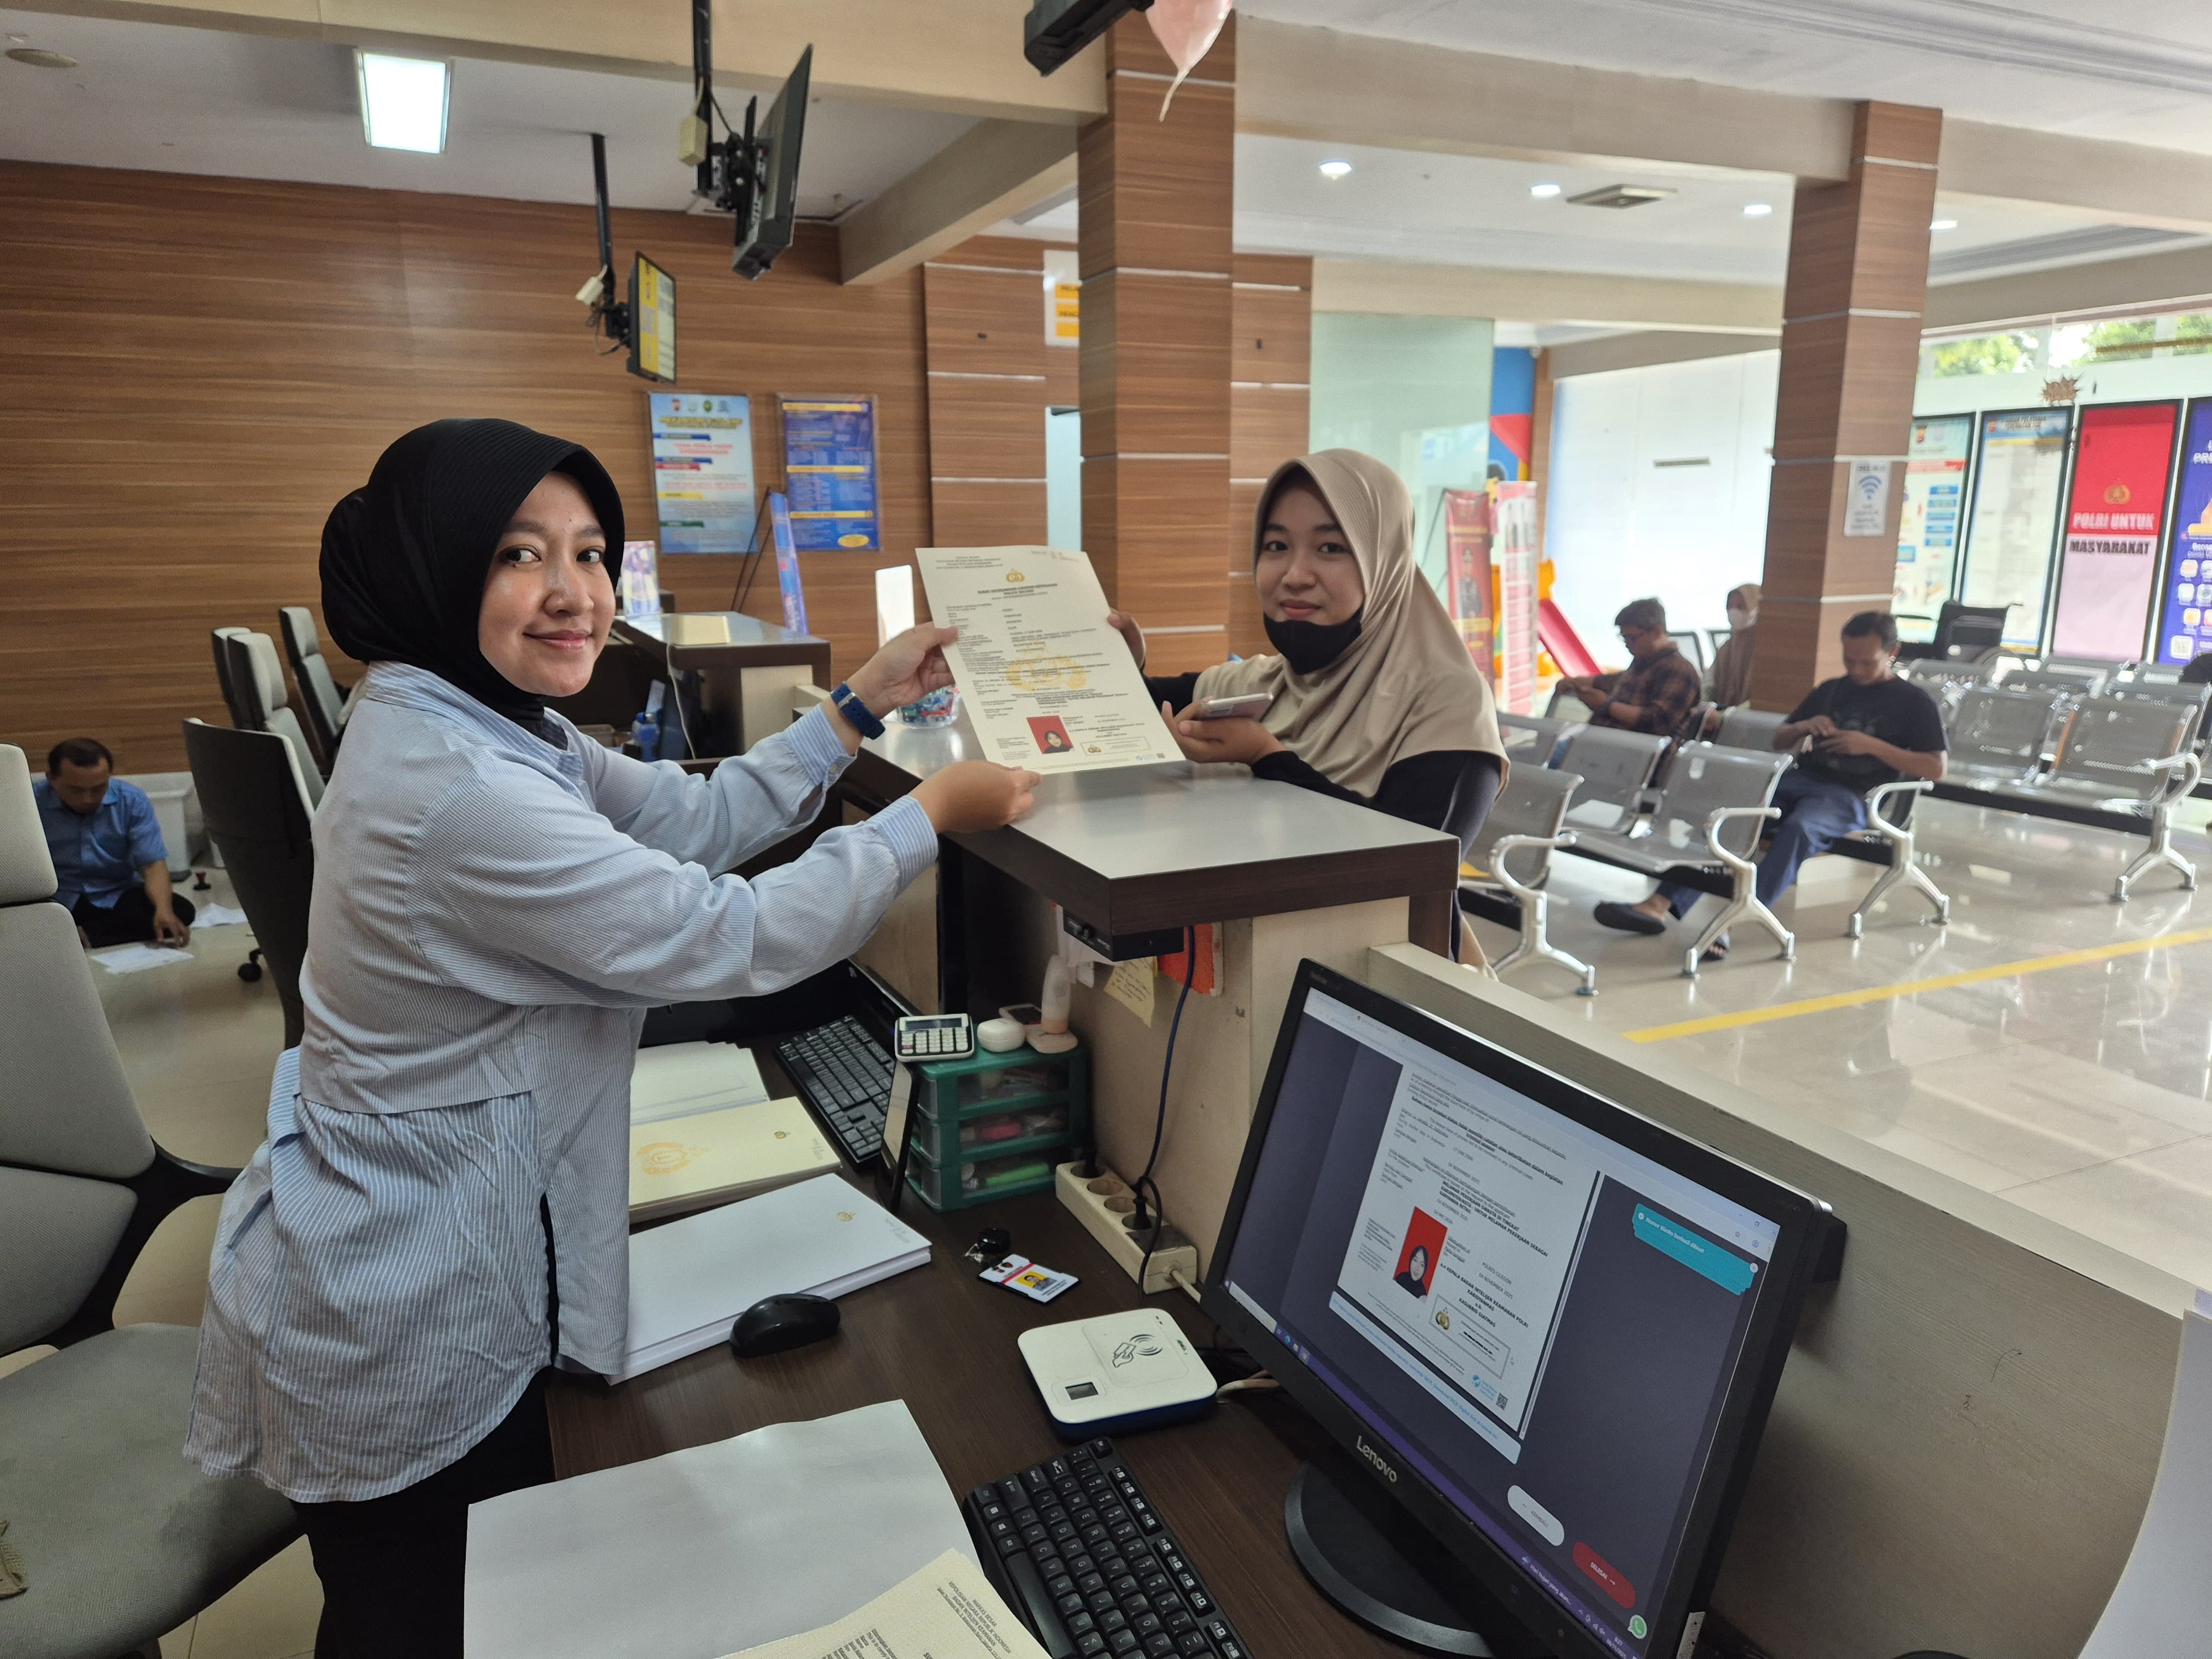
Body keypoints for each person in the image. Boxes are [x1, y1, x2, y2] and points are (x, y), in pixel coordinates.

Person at [184, 419, 1039, 1658]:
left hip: (440, 1234)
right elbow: (727, 933)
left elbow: (690, 818)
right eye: (518, 554)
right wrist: (928, 817)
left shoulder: (479, 719)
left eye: (590, 553)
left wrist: (856, 705)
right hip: (408, 1302)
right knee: (418, 1615)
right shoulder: (460, 785)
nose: (573, 592)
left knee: (458, 1598)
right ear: (434, 569)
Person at [1104, 450, 1507, 958]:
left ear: (1384, 560)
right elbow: (1132, 706)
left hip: (1368, 988)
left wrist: (1268, 759)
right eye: (1276, 546)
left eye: (1331, 548)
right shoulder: (1262, 682)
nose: (1295, 574)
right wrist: (1118, 662)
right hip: (1241, 977)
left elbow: (1403, 872)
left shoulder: (1445, 705)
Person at [1594, 610, 1946, 957]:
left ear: (1892, 652)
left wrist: (1871, 746)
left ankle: (1732, 920)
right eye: (1848, 660)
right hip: (1801, 778)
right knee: (1729, 815)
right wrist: (1804, 727)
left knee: (1800, 830)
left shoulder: (1914, 703)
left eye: (1866, 662)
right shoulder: (1832, 690)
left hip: (1855, 795)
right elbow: (1781, 738)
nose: (1855, 670)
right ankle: (1659, 904)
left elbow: (1935, 768)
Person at [35, 736, 195, 947]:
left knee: (180, 911)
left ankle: (82, 935)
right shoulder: (29, 802)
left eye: (98, 788)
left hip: (113, 894)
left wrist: (163, 910)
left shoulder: (131, 800)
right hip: (54, 896)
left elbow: (152, 864)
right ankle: (82, 934)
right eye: (76, 790)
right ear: (51, 778)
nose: (88, 799)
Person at [1554, 598, 1703, 744]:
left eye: (1632, 638)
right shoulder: (1644, 661)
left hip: (1634, 752)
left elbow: (1658, 722)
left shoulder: (1680, 670)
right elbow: (1611, 681)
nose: (1627, 645)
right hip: (1604, 744)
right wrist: (1573, 682)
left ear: (1656, 632)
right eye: (1624, 638)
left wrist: (1606, 706)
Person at [1706, 583, 1761, 709]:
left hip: (1754, 716)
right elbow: (1711, 684)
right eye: (1730, 606)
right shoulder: (1725, 649)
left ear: (1756, 608)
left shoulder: (1765, 649)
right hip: (1723, 716)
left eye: (1741, 606)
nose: (1734, 611)